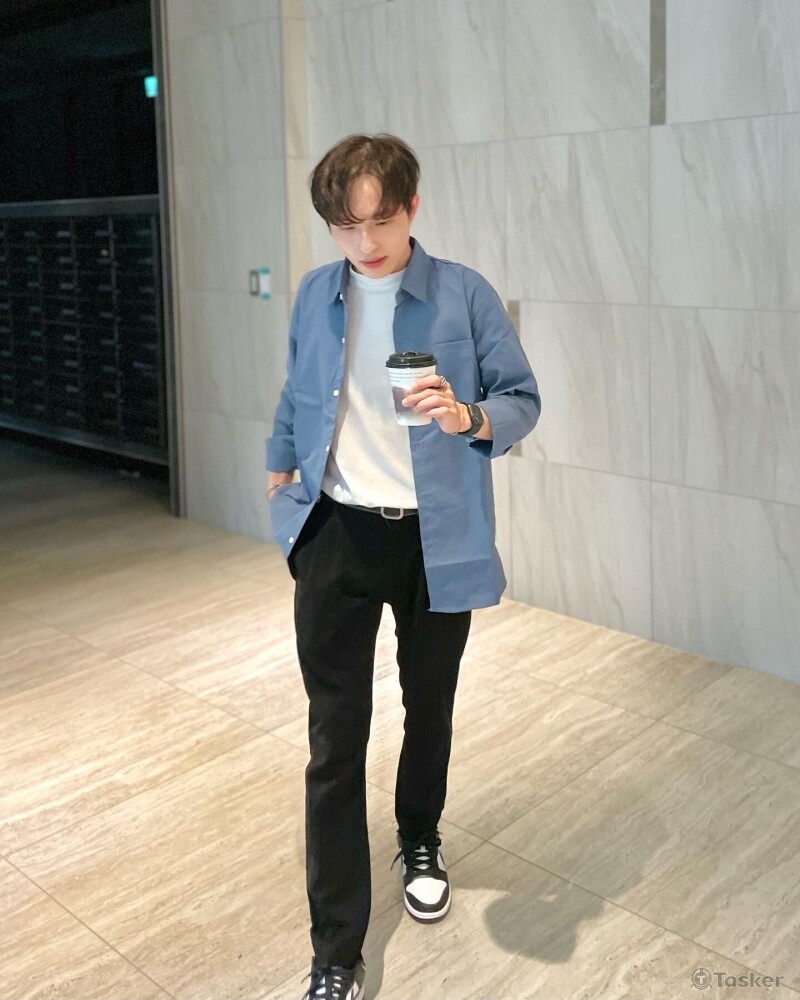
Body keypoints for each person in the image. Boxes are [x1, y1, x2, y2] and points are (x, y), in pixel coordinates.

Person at [265, 134, 541, 1000]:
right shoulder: (318, 292)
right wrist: (278, 464)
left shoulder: (462, 293)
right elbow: (297, 391)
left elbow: (522, 398)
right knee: (334, 738)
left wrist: (467, 416)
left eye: (381, 220)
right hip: (338, 534)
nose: (366, 241)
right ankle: (336, 949)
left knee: (430, 707)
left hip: (436, 539)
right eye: (346, 225)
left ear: (412, 208)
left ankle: (419, 838)